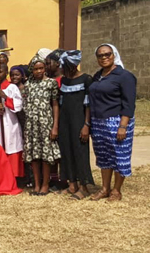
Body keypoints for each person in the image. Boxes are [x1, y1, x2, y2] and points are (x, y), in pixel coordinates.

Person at [89, 44, 136, 202]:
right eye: (100, 55)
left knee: (120, 156)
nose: (104, 57)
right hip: (98, 122)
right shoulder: (98, 76)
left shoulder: (124, 76)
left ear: (114, 55)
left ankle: (116, 190)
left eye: (107, 54)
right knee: (103, 156)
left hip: (117, 121)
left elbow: (129, 104)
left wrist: (123, 126)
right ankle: (104, 188)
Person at [57, 50, 94, 200]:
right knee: (67, 151)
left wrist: (86, 125)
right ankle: (72, 184)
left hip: (79, 120)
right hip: (65, 121)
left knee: (80, 152)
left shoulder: (86, 79)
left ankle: (84, 187)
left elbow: (88, 105)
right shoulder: (64, 81)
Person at [23, 56, 60, 196]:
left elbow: (55, 105)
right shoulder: (28, 85)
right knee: (34, 156)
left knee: (45, 156)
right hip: (31, 124)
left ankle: (46, 184)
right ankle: (37, 184)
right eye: (36, 69)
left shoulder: (51, 83)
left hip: (45, 123)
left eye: (41, 68)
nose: (39, 71)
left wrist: (55, 126)